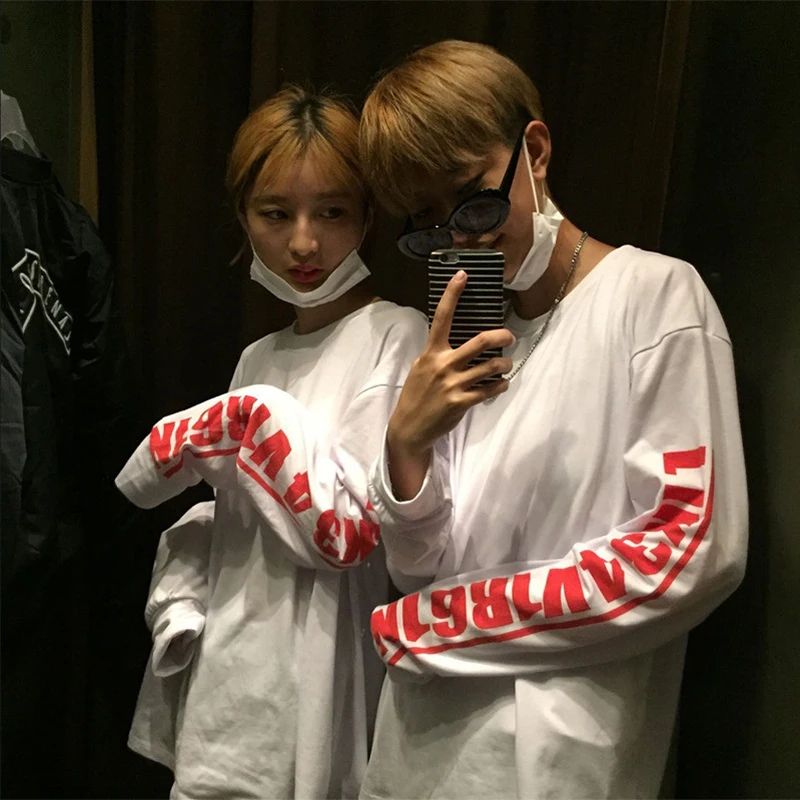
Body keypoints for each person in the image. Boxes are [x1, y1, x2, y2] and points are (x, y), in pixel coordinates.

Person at [357, 40, 748, 799]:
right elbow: (417, 569)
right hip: (413, 755)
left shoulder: (655, 298)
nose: (461, 238)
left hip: (553, 768)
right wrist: (405, 444)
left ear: (534, 151)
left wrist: (437, 625)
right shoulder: (468, 345)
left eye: (472, 198)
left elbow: (691, 550)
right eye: (429, 220)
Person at [116, 86, 428, 799]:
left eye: (332, 212)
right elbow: (238, 517)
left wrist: (253, 420)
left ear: (369, 216)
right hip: (229, 674)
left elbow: (349, 530)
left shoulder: (395, 335)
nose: (304, 243)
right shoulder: (258, 356)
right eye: (276, 213)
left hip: (322, 669)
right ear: (243, 216)